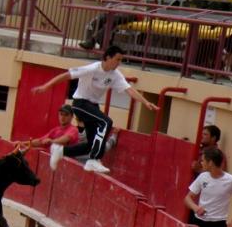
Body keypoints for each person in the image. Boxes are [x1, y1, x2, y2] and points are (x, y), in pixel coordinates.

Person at [31, 45, 158, 173]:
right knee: (106, 122)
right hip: (80, 103)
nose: (119, 63)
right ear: (108, 57)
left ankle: (60, 151)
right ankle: (94, 159)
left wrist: (146, 102)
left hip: (92, 106)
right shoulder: (93, 68)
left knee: (91, 145)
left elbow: (129, 90)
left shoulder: (115, 75)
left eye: (121, 60)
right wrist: (46, 86)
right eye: (117, 59)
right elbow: (67, 75)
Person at [184, 148, 232, 227]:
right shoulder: (202, 177)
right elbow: (187, 198)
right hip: (199, 223)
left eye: (203, 160)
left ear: (210, 163)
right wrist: (196, 208)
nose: (201, 163)